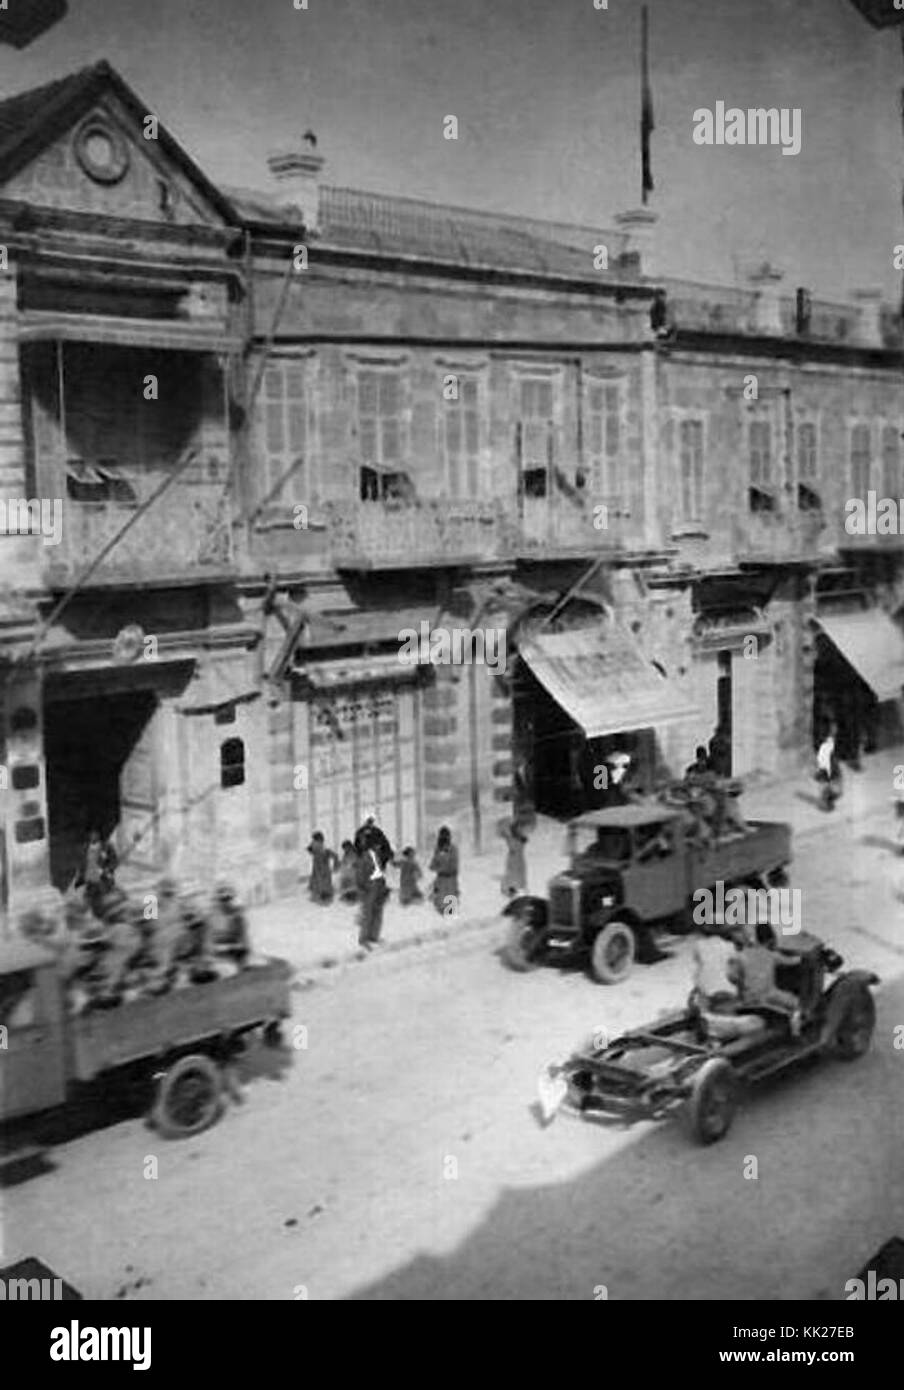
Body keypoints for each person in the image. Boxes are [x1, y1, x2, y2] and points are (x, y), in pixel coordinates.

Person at [357, 827, 389, 949]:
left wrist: (383, 886)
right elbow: (361, 874)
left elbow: (379, 872)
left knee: (377, 912)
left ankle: (373, 936)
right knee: (368, 914)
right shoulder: (366, 857)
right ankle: (364, 938)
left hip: (377, 887)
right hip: (369, 888)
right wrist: (363, 887)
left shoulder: (375, 856)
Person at [429, 826, 460, 917]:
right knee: (439, 907)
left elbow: (454, 865)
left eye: (445, 836)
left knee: (450, 910)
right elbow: (433, 863)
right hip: (441, 880)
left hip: (450, 880)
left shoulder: (453, 849)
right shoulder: (438, 849)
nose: (443, 838)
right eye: (442, 836)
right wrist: (434, 866)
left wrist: (441, 867)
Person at [498, 816, 528, 898]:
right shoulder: (512, 837)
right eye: (519, 828)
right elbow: (502, 833)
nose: (521, 829)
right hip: (514, 857)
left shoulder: (518, 838)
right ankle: (510, 890)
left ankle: (516, 890)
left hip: (517, 858)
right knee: (512, 874)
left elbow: (505, 835)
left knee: (518, 875)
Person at [307, 831, 337, 904]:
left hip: (321, 865)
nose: (313, 841)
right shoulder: (318, 845)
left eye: (315, 839)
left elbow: (311, 850)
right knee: (321, 880)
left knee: (321, 880)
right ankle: (323, 894)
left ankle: (323, 895)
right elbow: (311, 850)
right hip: (321, 865)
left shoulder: (318, 845)